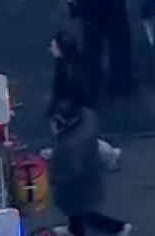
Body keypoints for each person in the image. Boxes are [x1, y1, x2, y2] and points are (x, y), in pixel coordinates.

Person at [48, 98, 133, 235]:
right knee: (76, 211)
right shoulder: (86, 120)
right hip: (90, 174)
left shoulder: (70, 145)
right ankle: (75, 230)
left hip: (77, 186)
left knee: (83, 212)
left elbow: (71, 171)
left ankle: (117, 227)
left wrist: (56, 178)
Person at [48, 30, 122, 169]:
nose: (51, 48)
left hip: (74, 109)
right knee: (72, 136)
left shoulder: (68, 71)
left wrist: (60, 110)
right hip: (74, 108)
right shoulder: (69, 64)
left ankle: (108, 154)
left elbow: (69, 92)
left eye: (54, 45)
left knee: (79, 138)